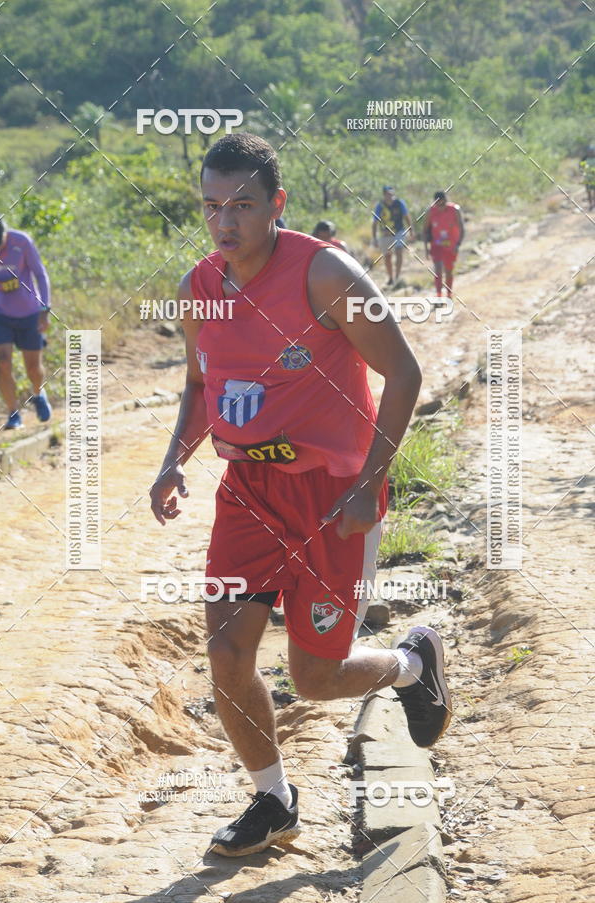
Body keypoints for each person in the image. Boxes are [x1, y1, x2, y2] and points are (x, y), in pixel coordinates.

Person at [149, 133, 451, 858]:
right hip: (249, 490)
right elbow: (200, 384)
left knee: (314, 678)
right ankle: (274, 799)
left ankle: (413, 663)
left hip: (330, 495)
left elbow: (404, 374)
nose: (226, 222)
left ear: (277, 205)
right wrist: (173, 461)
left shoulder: (326, 276)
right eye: (213, 206)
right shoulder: (199, 287)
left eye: (244, 205)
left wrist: (367, 484)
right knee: (226, 652)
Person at [0, 213, 52, 429]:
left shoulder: (22, 242)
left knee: (33, 368)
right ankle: (13, 412)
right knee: (3, 362)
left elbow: (40, 274)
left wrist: (45, 309)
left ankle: (38, 393)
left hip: (29, 312)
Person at [423, 191, 464, 299]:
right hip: (436, 246)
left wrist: (458, 245)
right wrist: (426, 249)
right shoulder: (430, 212)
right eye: (438, 204)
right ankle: (439, 295)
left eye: (443, 204)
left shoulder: (455, 210)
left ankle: (449, 294)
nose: (440, 207)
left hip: (451, 245)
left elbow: (461, 228)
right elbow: (425, 231)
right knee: (438, 270)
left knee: (449, 270)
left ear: (446, 201)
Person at [371, 186, 415, 287]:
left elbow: (406, 217)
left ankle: (397, 277)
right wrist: (374, 238)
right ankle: (390, 278)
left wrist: (411, 230)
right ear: (384, 194)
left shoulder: (399, 203)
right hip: (385, 234)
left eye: (391, 194)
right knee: (387, 256)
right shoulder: (380, 206)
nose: (390, 196)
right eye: (388, 194)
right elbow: (375, 222)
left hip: (399, 232)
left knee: (399, 252)